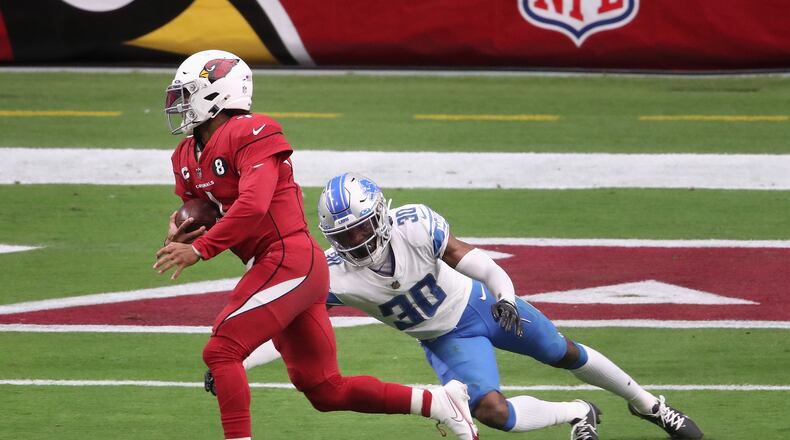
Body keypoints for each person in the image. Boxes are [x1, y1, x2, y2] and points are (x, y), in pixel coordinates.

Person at [153, 50, 479, 440]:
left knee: (222, 350)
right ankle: (440, 403)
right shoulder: (186, 154)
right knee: (324, 388)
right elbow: (202, 208)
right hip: (274, 265)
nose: (181, 103)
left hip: (290, 257)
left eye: (189, 93)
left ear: (217, 93)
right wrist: (182, 227)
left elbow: (254, 206)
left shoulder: (252, 130)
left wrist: (201, 249)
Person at [232, 173, 704, 440]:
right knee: (493, 413)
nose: (356, 241)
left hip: (480, 304)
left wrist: (505, 298)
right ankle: (578, 411)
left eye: (361, 228)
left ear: (380, 214)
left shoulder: (414, 225)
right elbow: (290, 332)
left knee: (564, 352)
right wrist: (240, 361)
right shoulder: (332, 271)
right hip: (442, 339)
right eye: (345, 235)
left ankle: (652, 407)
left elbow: (477, 262)